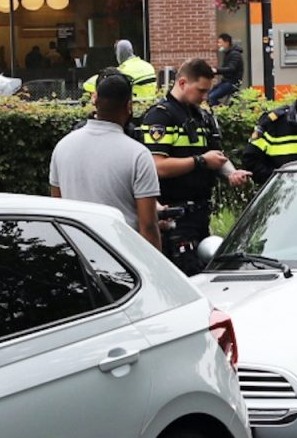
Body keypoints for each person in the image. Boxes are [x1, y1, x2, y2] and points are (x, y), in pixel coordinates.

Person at [141, 58, 251, 270]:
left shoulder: (203, 117)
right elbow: (157, 166)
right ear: (182, 83)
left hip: (200, 215)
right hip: (173, 216)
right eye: (201, 90)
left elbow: (216, 156)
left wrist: (231, 173)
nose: (205, 97)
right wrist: (200, 161)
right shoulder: (160, 117)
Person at [49, 72, 161, 247]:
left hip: (78, 253)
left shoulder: (63, 147)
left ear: (95, 100)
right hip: (122, 255)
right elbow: (148, 226)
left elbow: (57, 209)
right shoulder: (138, 155)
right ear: (129, 106)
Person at [81, 39, 159, 108]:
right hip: (150, 105)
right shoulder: (148, 66)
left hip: (134, 107)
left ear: (119, 54)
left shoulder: (124, 71)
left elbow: (89, 84)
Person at [209, 32, 246, 105]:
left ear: (227, 43)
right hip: (226, 81)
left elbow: (231, 68)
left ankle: (222, 113)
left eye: (220, 42)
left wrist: (216, 70)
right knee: (208, 96)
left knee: (211, 97)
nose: (218, 45)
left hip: (232, 83)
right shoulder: (228, 53)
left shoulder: (235, 54)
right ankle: (222, 110)